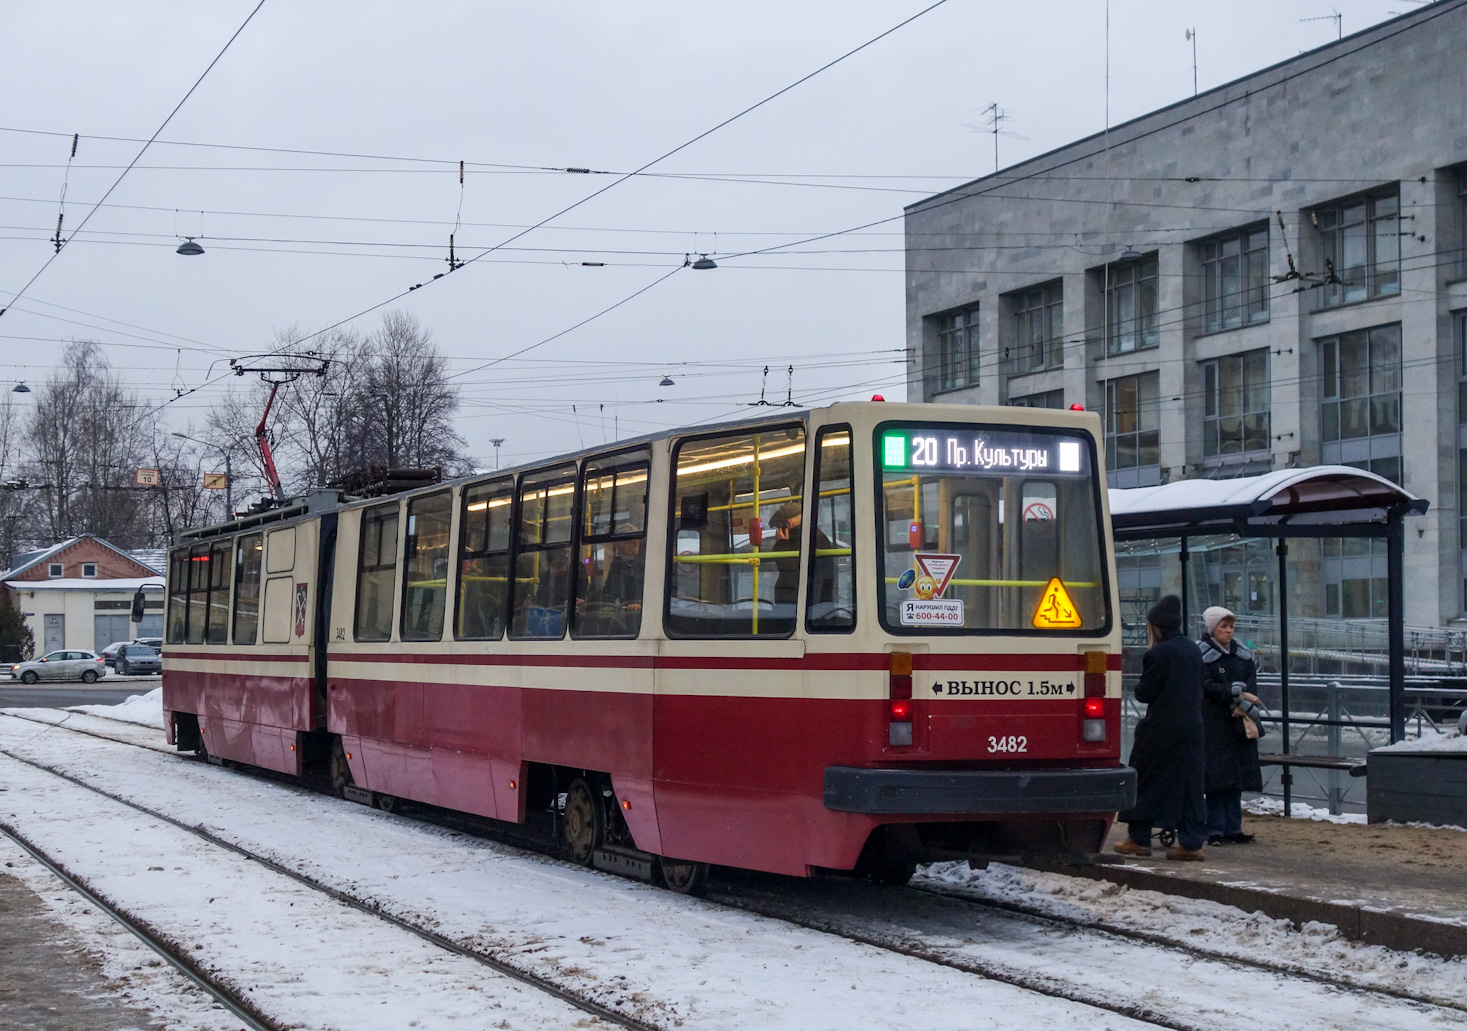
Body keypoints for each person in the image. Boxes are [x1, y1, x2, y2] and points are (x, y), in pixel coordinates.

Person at [1115, 595, 1208, 861]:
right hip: (1192, 726)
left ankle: (1139, 838)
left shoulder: (1158, 652)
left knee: (1145, 778)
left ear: (1155, 626)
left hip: (1160, 727)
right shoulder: (1193, 649)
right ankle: (1191, 843)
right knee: (1190, 784)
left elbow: (1145, 693)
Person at [1199, 606, 1266, 845]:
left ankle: (1233, 827)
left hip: (1239, 725)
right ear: (1212, 629)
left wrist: (1244, 704)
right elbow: (1205, 686)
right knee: (1216, 779)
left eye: (1231, 627)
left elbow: (1252, 682)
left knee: (1236, 777)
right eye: (1223, 627)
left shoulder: (1243, 655)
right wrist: (1234, 695)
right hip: (1215, 724)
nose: (1228, 631)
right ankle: (1215, 828)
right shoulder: (1203, 655)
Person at [766, 502, 832, 606]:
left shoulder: (802, 539)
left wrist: (781, 545)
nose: (777, 532)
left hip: (794, 606)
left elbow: (790, 573)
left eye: (778, 527)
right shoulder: (814, 536)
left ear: (787, 524)